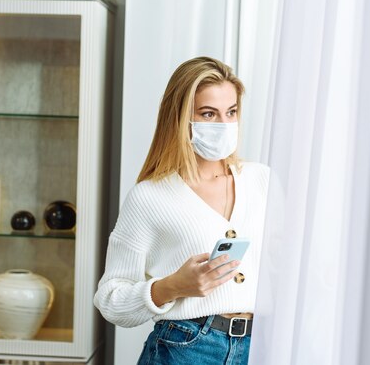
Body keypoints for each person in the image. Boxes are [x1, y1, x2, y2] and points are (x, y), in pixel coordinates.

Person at [93, 56, 269, 364]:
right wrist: (172, 286)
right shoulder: (149, 197)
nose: (224, 125)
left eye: (231, 112)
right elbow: (110, 300)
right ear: (180, 118)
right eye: (208, 113)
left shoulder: (262, 181)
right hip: (186, 347)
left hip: (261, 346)